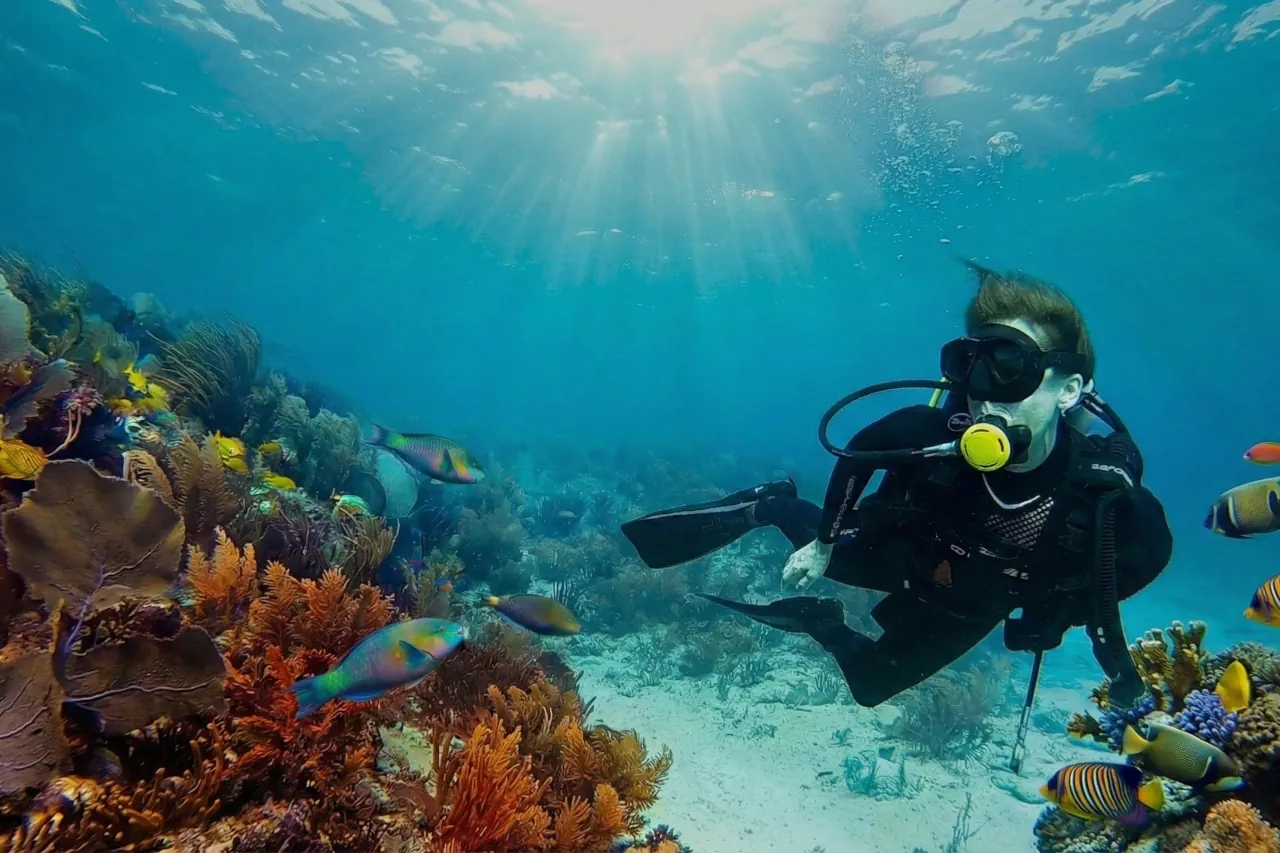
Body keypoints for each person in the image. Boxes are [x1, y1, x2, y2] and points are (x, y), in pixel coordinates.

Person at [621, 262, 1172, 710]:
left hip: (974, 597)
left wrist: (1056, 609)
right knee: (820, 551)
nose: (983, 391)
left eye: (1008, 365)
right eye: (970, 364)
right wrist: (825, 541)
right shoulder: (928, 433)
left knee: (871, 688)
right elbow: (857, 454)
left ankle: (818, 620)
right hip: (903, 551)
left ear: (1069, 387)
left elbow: (1139, 566)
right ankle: (772, 505)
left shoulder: (1105, 499)